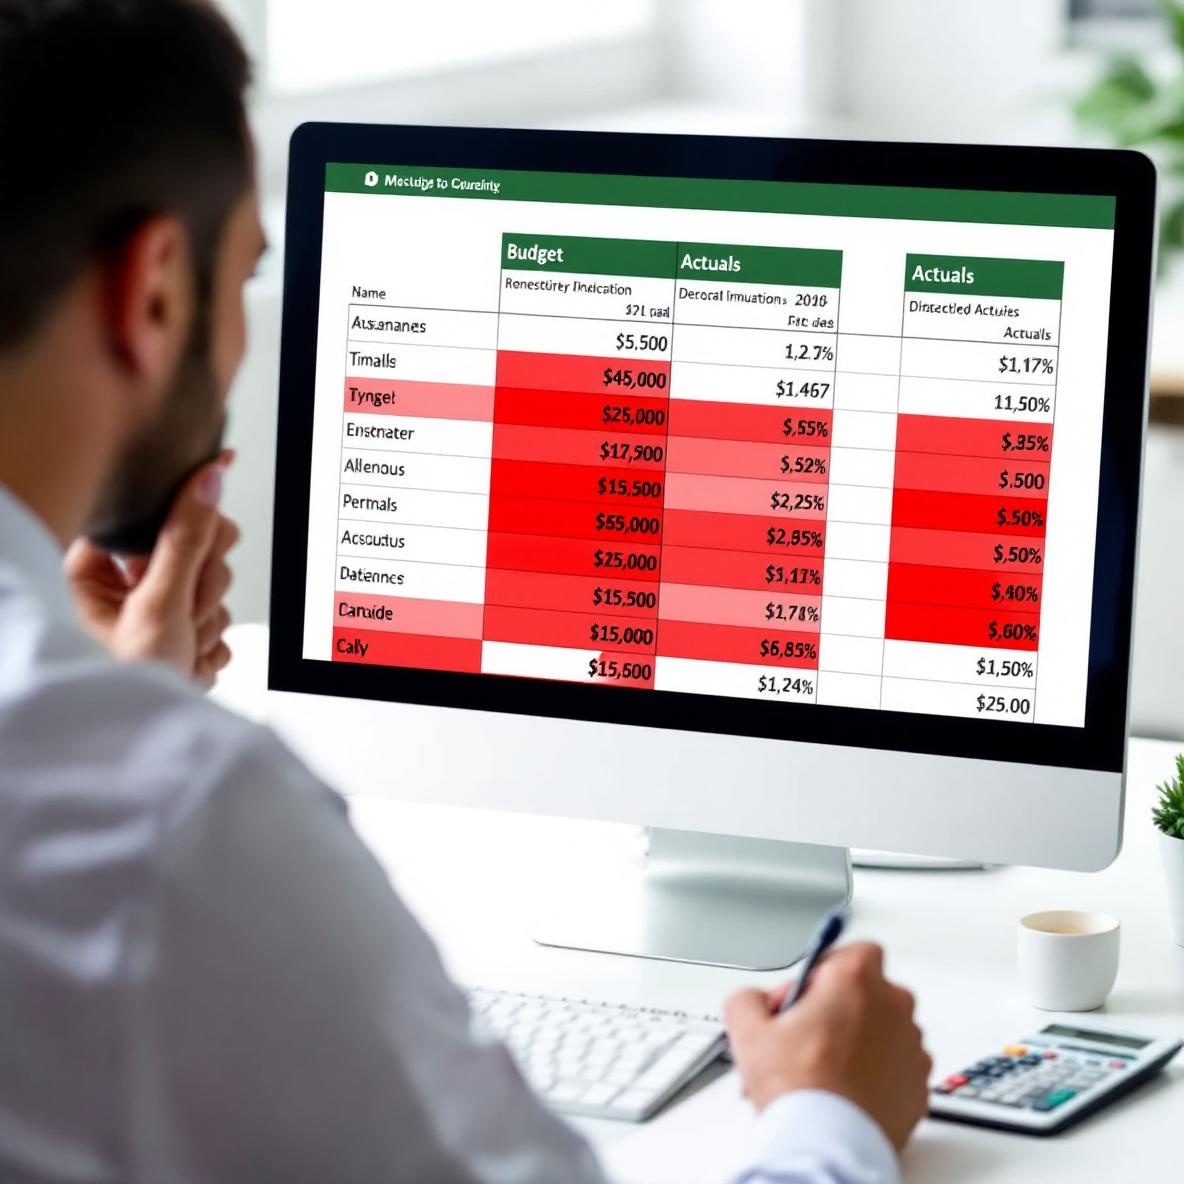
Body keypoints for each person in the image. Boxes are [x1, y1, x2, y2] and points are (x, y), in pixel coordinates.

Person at [0, 2, 932, 1181]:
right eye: (248, 277)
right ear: (154, 290)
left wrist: (115, 704)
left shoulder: (113, 779)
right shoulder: (172, 818)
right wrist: (828, 1114)